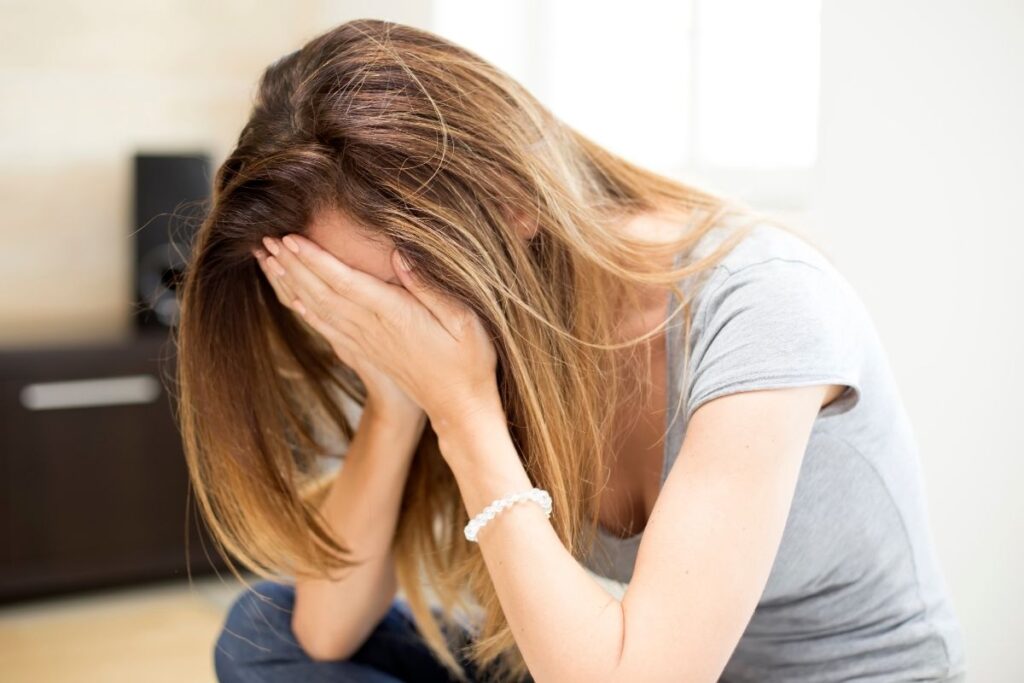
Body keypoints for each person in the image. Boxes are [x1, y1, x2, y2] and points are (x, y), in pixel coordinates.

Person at [177, 18, 967, 683]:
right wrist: (397, 399)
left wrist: (464, 412)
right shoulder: (481, 332)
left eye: (387, 293)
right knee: (266, 629)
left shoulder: (763, 304)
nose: (377, 321)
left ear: (508, 201)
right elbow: (324, 634)